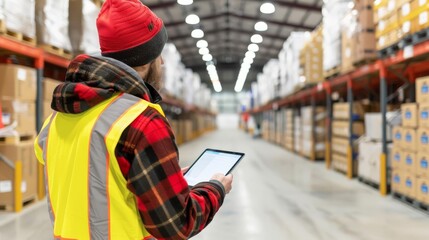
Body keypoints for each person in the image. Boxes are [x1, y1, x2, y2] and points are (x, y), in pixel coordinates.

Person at [34, 0, 233, 239]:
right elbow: (177, 224)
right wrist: (215, 188)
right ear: (147, 58)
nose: (163, 62)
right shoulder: (142, 122)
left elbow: (98, 180)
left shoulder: (57, 117)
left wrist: (163, 176)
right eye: (159, 55)